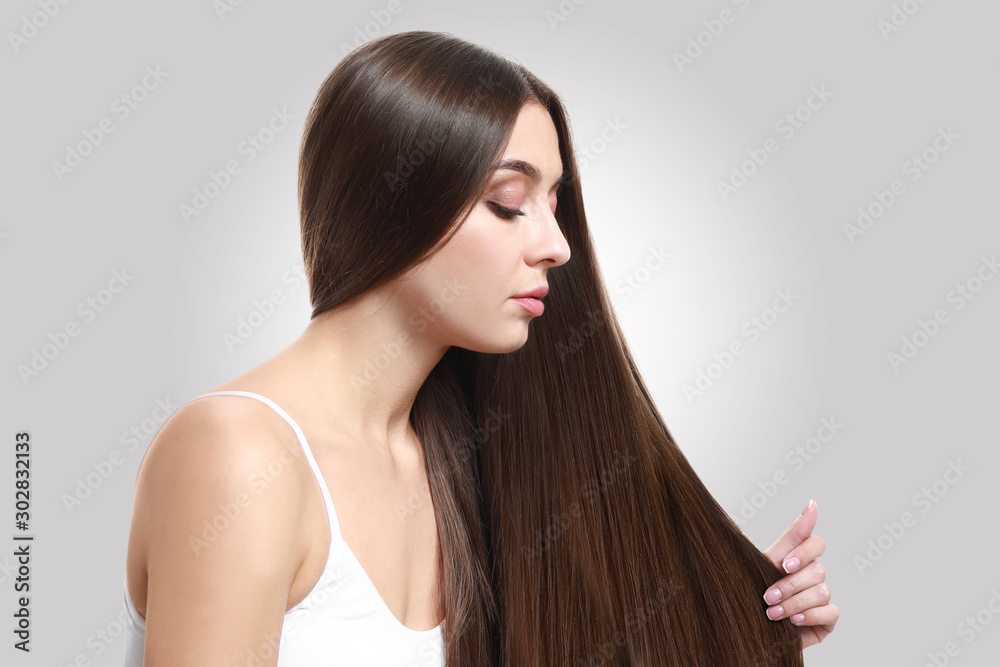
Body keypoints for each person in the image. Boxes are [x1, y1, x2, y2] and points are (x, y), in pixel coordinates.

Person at [123, 30, 838, 666]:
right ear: (390, 204)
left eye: (553, 205)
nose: (556, 247)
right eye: (507, 203)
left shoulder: (461, 463)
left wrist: (731, 618)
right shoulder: (240, 455)